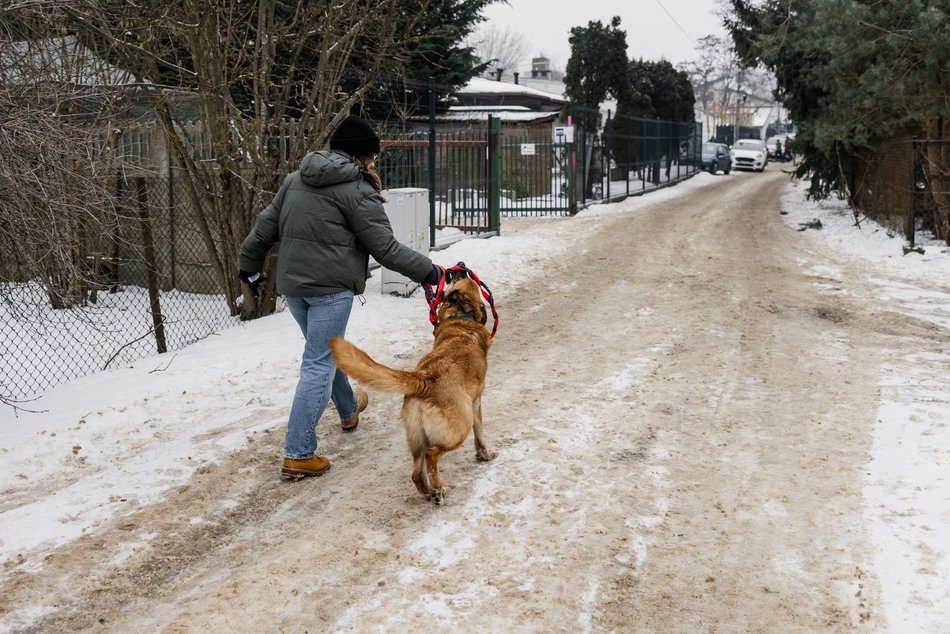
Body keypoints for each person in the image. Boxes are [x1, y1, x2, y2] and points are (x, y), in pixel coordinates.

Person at [238, 114, 441, 480]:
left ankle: (348, 409)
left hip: (295, 288)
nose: (375, 162)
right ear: (363, 156)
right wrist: (430, 272)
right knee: (318, 363)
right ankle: (298, 453)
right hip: (331, 290)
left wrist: (248, 267)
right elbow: (386, 248)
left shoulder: (294, 180)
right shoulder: (358, 190)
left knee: (324, 354)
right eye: (374, 156)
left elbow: (264, 228)